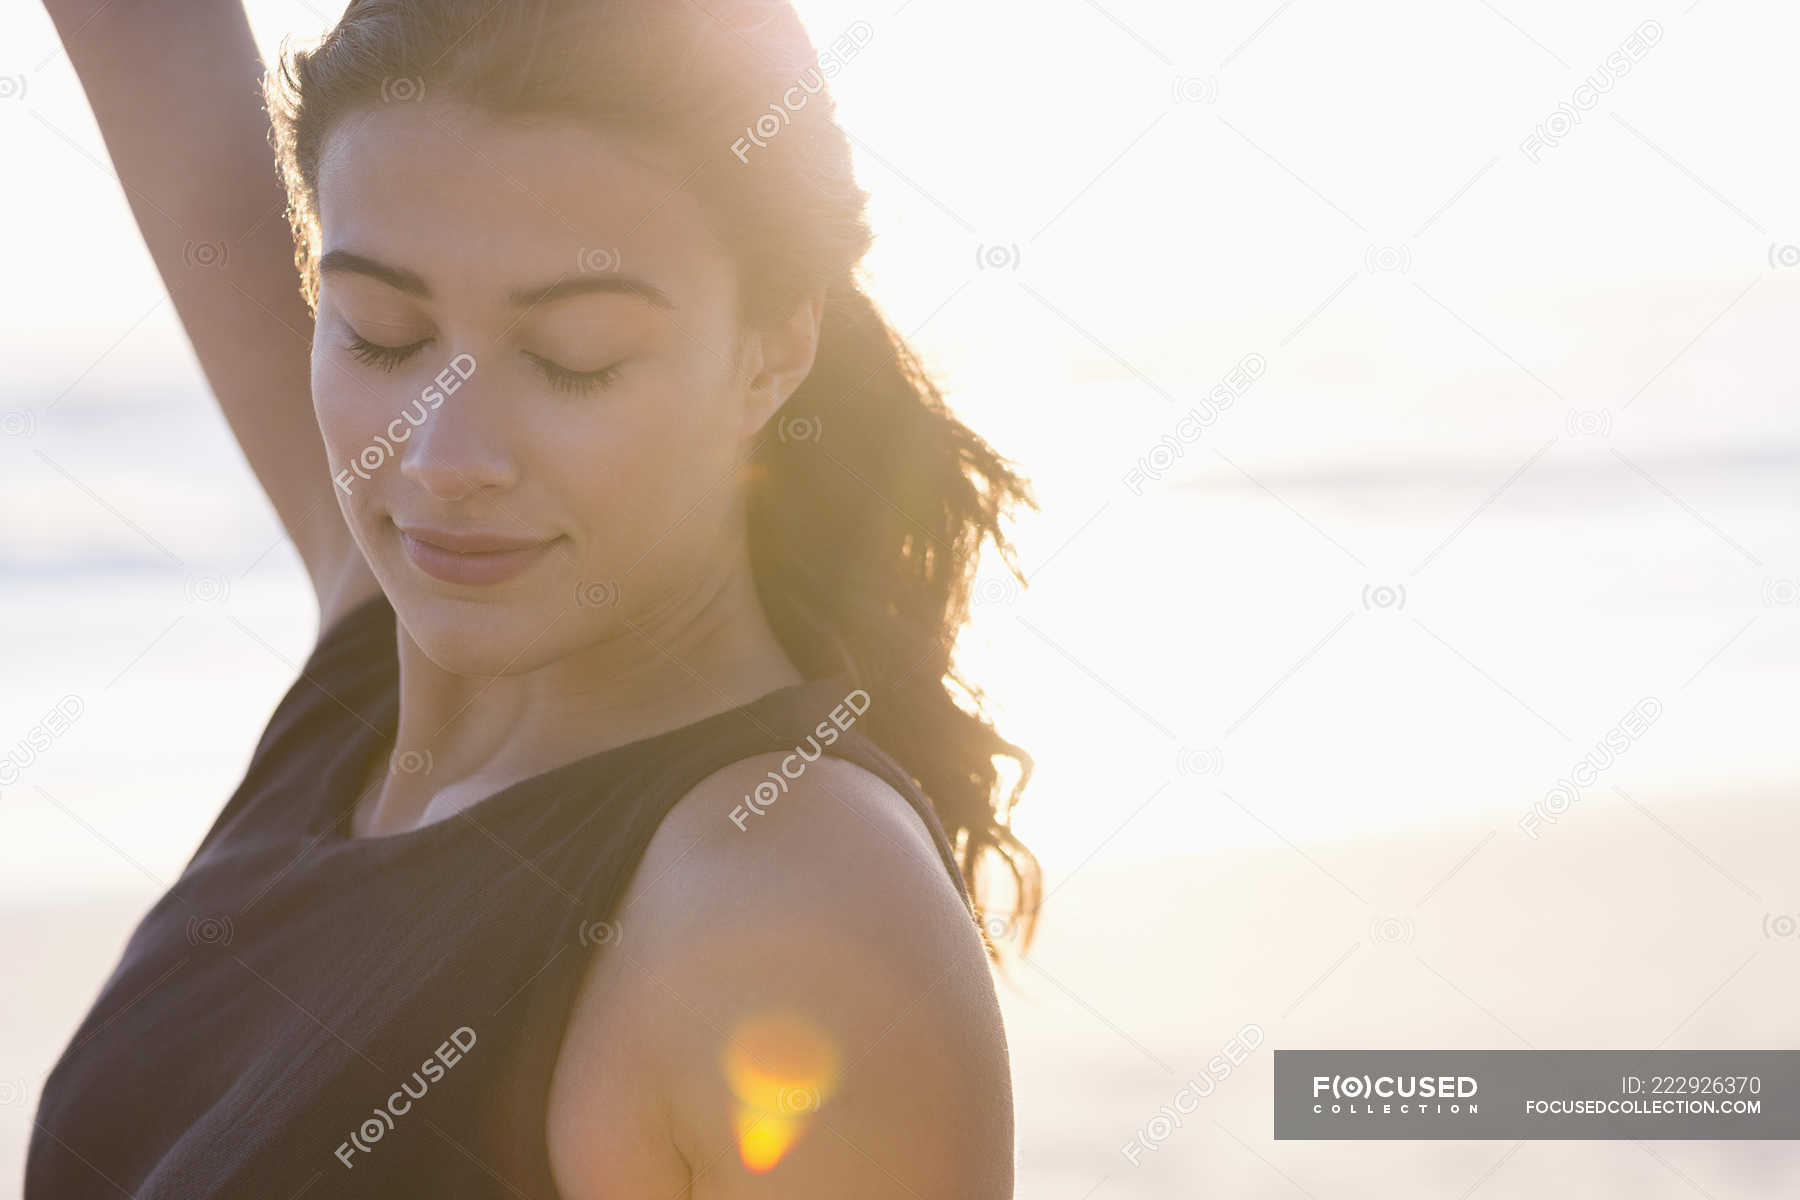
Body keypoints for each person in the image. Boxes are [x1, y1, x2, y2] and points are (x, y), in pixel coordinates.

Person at [26, 1, 1042, 1196]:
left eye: (575, 358)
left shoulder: (786, 893)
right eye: (381, 335)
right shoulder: (384, 641)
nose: (444, 455)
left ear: (772, 350)